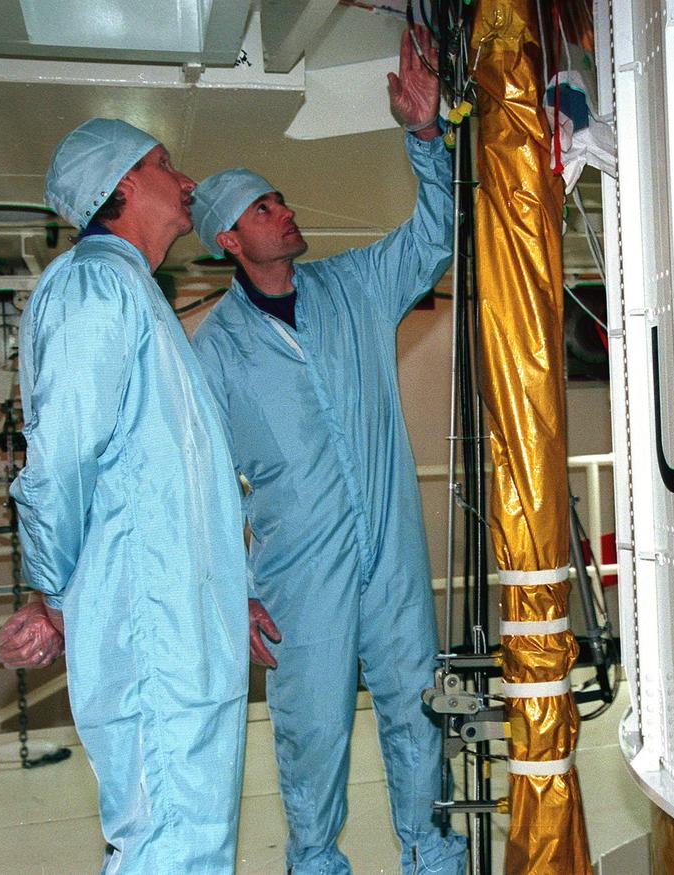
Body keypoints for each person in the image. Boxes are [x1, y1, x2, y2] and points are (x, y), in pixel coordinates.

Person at [188, 27, 466, 875]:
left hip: (390, 555)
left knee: (418, 712)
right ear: (230, 241)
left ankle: (432, 856)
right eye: (264, 209)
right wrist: (232, 593)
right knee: (311, 736)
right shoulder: (215, 353)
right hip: (297, 579)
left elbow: (433, 235)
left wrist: (425, 138)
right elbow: (202, 486)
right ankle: (316, 864)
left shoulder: (352, 289)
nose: (287, 211)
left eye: (281, 199)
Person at [0, 118, 250, 873]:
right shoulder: (96, 285)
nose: (188, 182)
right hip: (153, 634)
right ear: (123, 186)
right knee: (171, 842)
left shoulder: (133, 292)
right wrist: (54, 594)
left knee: (188, 837)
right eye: (168, 165)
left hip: (179, 628)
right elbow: (61, 458)